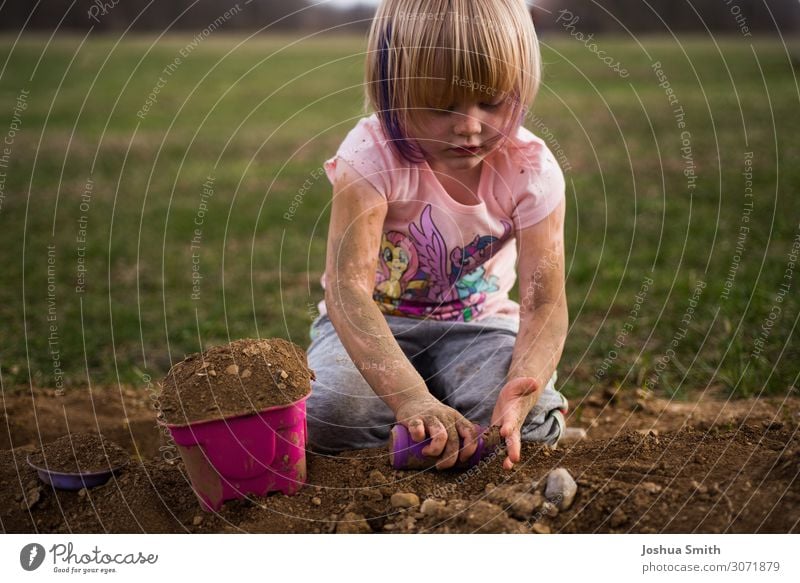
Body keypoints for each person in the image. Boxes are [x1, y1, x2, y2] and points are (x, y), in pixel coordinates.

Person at [305, 0, 569, 471]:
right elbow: (347, 291)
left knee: (526, 426)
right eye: (441, 107)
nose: (470, 126)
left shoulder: (532, 170)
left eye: (491, 102)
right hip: (376, 323)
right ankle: (425, 398)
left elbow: (544, 304)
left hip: (479, 326)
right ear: (393, 94)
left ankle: (445, 398)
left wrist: (523, 385)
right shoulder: (369, 156)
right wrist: (410, 400)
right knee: (328, 416)